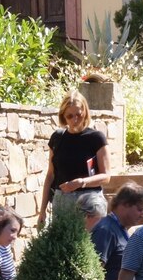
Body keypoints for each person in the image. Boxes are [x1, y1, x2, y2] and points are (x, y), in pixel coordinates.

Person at [40, 90, 110, 231]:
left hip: (90, 202)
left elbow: (106, 176)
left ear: (85, 111)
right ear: (63, 117)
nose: (75, 120)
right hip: (62, 201)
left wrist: (81, 183)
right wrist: (42, 211)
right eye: (70, 116)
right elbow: (51, 175)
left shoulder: (96, 138)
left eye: (79, 114)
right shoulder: (57, 138)